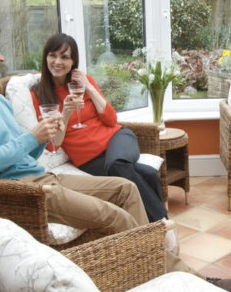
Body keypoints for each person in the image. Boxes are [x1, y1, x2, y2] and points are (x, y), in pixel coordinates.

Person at [0, 21, 231, 292]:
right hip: (24, 189)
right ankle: (190, 280)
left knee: (126, 188)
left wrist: (40, 138)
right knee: (115, 215)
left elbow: (33, 151)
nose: (1, 56)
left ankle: (151, 272)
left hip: (43, 175)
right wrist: (33, 136)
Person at [31, 33, 167, 223]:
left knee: (117, 164)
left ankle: (162, 223)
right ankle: (162, 224)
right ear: (46, 57)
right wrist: (66, 114)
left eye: (65, 57)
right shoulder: (39, 94)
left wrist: (89, 87)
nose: (57, 62)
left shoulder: (82, 82)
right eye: (53, 55)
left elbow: (111, 120)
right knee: (147, 173)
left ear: (73, 62)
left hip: (118, 138)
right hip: (89, 159)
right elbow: (53, 145)